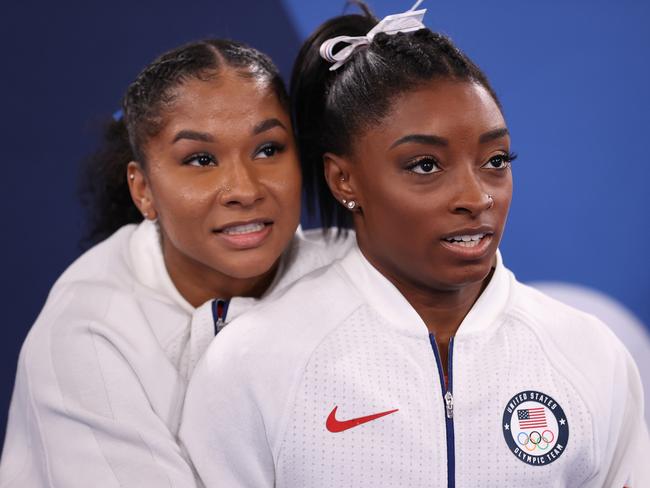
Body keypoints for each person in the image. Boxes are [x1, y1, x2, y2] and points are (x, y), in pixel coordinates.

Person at [179, 5, 650, 488]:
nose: (477, 197)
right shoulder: (253, 362)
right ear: (344, 179)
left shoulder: (589, 353)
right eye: (425, 165)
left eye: (495, 159)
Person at [0, 39, 353, 487]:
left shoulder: (359, 272)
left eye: (267, 149)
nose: (244, 189)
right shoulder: (86, 333)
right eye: (200, 159)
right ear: (143, 189)